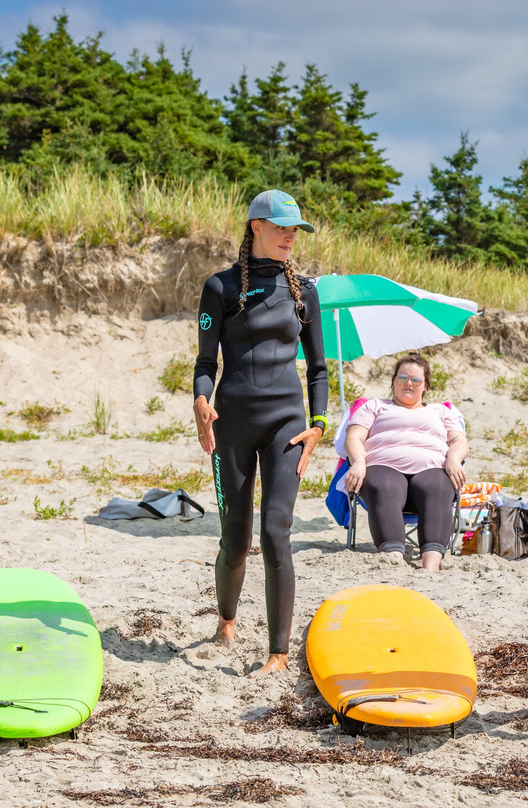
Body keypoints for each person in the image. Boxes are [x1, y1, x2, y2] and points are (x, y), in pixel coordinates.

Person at [193, 189, 328, 676]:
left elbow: (317, 368)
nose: (291, 236)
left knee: (276, 531)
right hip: (232, 424)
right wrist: (200, 400)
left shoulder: (304, 292)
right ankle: (226, 620)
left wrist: (319, 425)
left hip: (287, 427)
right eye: (282, 227)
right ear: (256, 226)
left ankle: (278, 652)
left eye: (296, 229)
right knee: (235, 535)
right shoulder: (221, 288)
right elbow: (207, 362)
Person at [343, 353, 469, 570]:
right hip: (383, 466)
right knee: (384, 486)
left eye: (415, 379)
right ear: (393, 381)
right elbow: (354, 437)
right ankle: (394, 563)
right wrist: (358, 463)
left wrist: (454, 459)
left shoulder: (440, 411)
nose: (408, 383)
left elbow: (459, 441)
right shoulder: (374, 406)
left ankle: (431, 566)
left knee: (438, 487)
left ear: (425, 385)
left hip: (432, 468)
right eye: (402, 378)